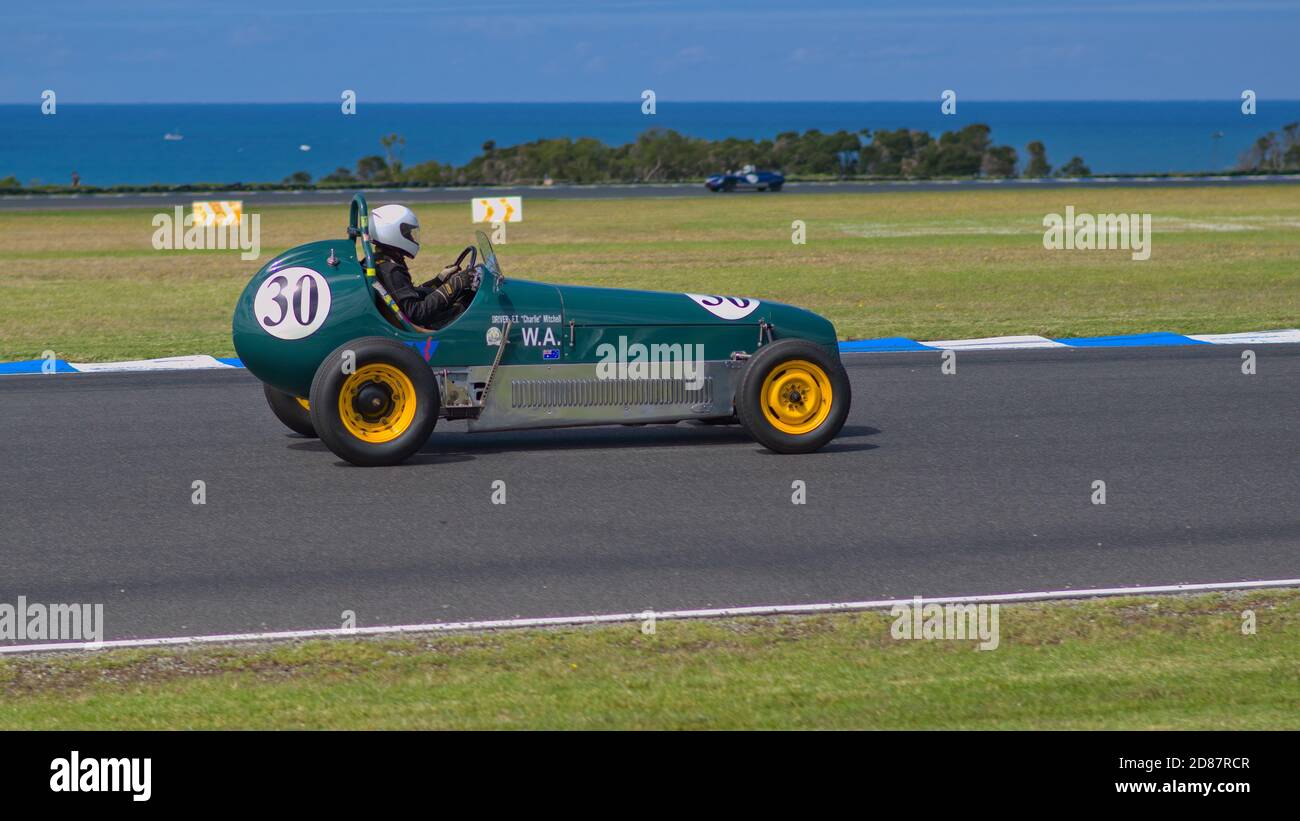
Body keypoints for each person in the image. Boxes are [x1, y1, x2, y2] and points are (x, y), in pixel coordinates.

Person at [369, 204, 472, 327]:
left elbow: (410, 295)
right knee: (467, 305)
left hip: (406, 322)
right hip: (419, 328)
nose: (412, 237)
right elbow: (417, 313)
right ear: (391, 234)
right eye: (407, 233)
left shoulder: (380, 262)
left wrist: (439, 280)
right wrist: (453, 286)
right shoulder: (391, 271)